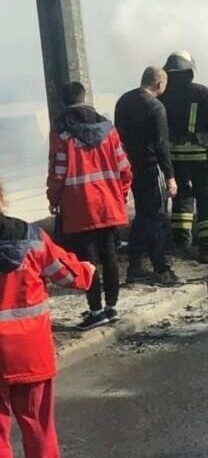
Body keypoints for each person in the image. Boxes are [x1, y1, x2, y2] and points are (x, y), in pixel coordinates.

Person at [0, 181, 95, 457]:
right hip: (30, 354)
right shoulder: (33, 238)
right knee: (39, 430)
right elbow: (66, 273)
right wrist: (86, 270)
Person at [46, 82, 132, 330]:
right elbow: (124, 168)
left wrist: (54, 199)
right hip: (109, 203)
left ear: (64, 102)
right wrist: (120, 195)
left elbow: (58, 172)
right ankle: (112, 308)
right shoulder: (108, 129)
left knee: (87, 259)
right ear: (84, 98)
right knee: (110, 254)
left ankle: (95, 311)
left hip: (79, 206)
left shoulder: (61, 132)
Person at [160, 51, 208, 264]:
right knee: (206, 197)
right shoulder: (202, 93)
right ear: (190, 71)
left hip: (173, 156)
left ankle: (181, 245)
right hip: (199, 155)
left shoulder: (163, 95)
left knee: (181, 197)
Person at [114, 66, 182, 286]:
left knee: (143, 215)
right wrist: (171, 176)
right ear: (159, 84)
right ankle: (160, 267)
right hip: (152, 169)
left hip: (131, 168)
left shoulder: (123, 101)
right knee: (155, 217)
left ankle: (135, 266)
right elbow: (162, 146)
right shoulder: (156, 107)